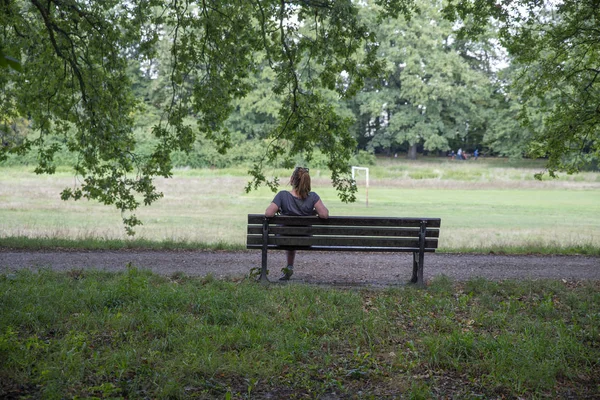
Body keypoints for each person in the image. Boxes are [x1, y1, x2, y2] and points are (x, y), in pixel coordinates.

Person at [265, 167, 329, 280]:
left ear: (292, 179)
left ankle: (289, 267)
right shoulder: (313, 197)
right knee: (294, 237)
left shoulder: (282, 195)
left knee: (290, 236)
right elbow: (324, 215)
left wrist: (280, 210)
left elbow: (269, 213)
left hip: (283, 240)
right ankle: (289, 267)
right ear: (307, 181)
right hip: (305, 240)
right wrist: (313, 211)